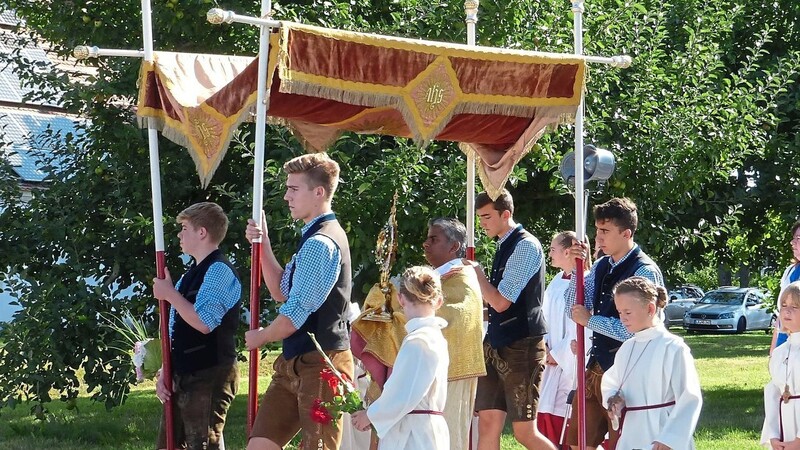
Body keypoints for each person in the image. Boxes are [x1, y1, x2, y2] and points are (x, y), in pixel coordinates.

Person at [244, 153, 354, 450]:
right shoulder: (312, 238)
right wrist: (263, 244)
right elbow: (282, 291)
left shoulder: (321, 243)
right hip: (295, 361)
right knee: (260, 445)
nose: (286, 196)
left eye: (293, 189)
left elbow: (293, 316)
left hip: (322, 362)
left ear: (318, 192)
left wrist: (261, 337)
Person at [564, 197, 664, 450]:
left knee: (624, 442)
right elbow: (573, 309)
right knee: (579, 442)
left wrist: (591, 321)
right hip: (597, 366)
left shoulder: (644, 271)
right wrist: (578, 270)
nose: (598, 238)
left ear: (626, 233)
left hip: (630, 371)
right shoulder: (600, 266)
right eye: (597, 230)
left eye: (605, 231)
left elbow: (637, 330)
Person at [465, 189, 556, 450]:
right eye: (480, 218)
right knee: (488, 423)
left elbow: (501, 302)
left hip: (522, 345)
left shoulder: (525, 245)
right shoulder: (506, 244)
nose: (482, 224)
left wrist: (477, 275)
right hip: (497, 342)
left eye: (486, 217)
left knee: (525, 432)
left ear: (505, 214)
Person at [152, 201, 242, 450]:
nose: (180, 235)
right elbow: (176, 326)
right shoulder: (190, 274)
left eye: (184, 228)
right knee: (170, 443)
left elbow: (204, 322)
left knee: (202, 443)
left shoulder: (218, 271)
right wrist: (166, 368)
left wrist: (169, 294)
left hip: (209, 371)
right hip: (187, 371)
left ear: (202, 232)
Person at [350, 266, 450, 450]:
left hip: (413, 435)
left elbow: (401, 393)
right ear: (439, 301)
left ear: (400, 299)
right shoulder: (433, 337)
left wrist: (370, 415)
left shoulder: (419, 341)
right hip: (423, 429)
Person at [601, 277, 702, 450]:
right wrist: (614, 400)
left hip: (662, 432)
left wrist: (670, 438)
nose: (623, 318)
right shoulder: (627, 348)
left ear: (650, 308)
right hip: (632, 434)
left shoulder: (673, 347)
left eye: (628, 312)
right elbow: (612, 382)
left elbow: (689, 397)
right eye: (619, 313)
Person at [422, 218, 486, 450]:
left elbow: (453, 318)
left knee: (447, 435)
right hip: (437, 369)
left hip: (455, 370)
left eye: (434, 239)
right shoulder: (439, 277)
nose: (426, 244)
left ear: (454, 247)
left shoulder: (462, 278)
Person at [537, 231, 590, 447]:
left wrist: (559, 354)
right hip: (551, 361)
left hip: (569, 362)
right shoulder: (557, 281)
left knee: (566, 416)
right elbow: (545, 316)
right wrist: (545, 346)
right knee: (545, 413)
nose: (550, 254)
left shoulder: (585, 282)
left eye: (553, 249)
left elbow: (579, 325)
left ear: (568, 251)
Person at [762, 282, 800, 448]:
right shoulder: (779, 353)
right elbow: (773, 394)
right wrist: (773, 435)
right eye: (784, 305)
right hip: (783, 428)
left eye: (795, 306)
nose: (787, 310)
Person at [770, 220, 800, 355]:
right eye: (793, 238)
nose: (792, 243)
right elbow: (780, 318)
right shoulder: (789, 271)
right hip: (784, 342)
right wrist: (773, 352)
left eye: (798, 239)